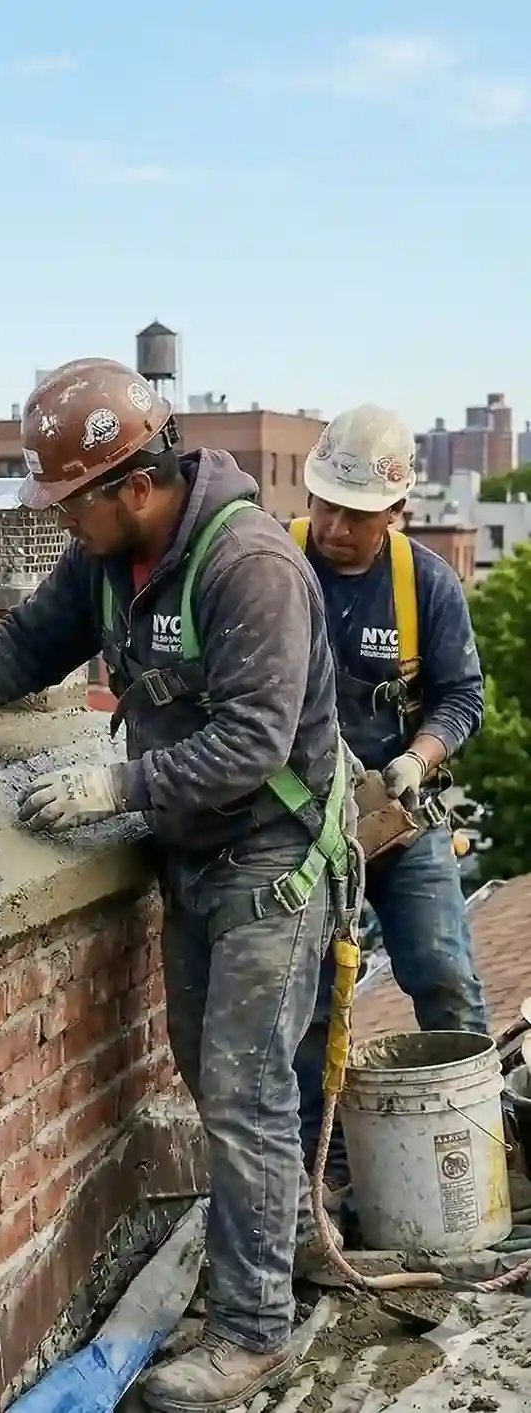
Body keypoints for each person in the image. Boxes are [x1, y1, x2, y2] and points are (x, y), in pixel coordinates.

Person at [0, 356, 355, 1413]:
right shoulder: (109, 561)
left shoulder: (248, 568)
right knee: (219, 1076)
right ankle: (277, 1245)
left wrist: (114, 784)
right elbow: (38, 637)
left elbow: (251, 740)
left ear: (134, 485)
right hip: (195, 852)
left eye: (69, 504)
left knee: (244, 1091)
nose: (60, 526)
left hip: (272, 858)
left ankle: (253, 1331)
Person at [289, 406, 488, 1192]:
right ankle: (322, 1169)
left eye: (356, 514)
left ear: (396, 512)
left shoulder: (423, 586)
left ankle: (470, 1141)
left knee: (441, 969)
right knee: (305, 1001)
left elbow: (460, 699)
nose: (334, 526)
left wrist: (416, 756)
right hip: (299, 827)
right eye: (325, 505)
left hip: (396, 823)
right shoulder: (275, 561)